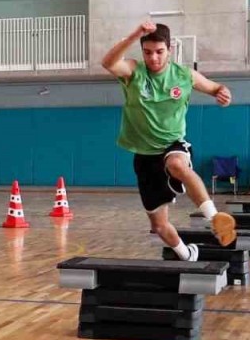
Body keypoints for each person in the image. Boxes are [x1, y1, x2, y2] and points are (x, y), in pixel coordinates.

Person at [101, 21, 236, 259]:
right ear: (142, 52)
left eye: (159, 52)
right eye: (148, 52)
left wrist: (222, 92)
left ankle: (215, 218)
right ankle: (187, 255)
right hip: (144, 155)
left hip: (173, 146)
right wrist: (135, 35)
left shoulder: (184, 75)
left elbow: (215, 87)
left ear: (170, 49)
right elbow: (108, 63)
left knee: (176, 165)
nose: (154, 58)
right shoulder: (134, 71)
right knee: (159, 226)